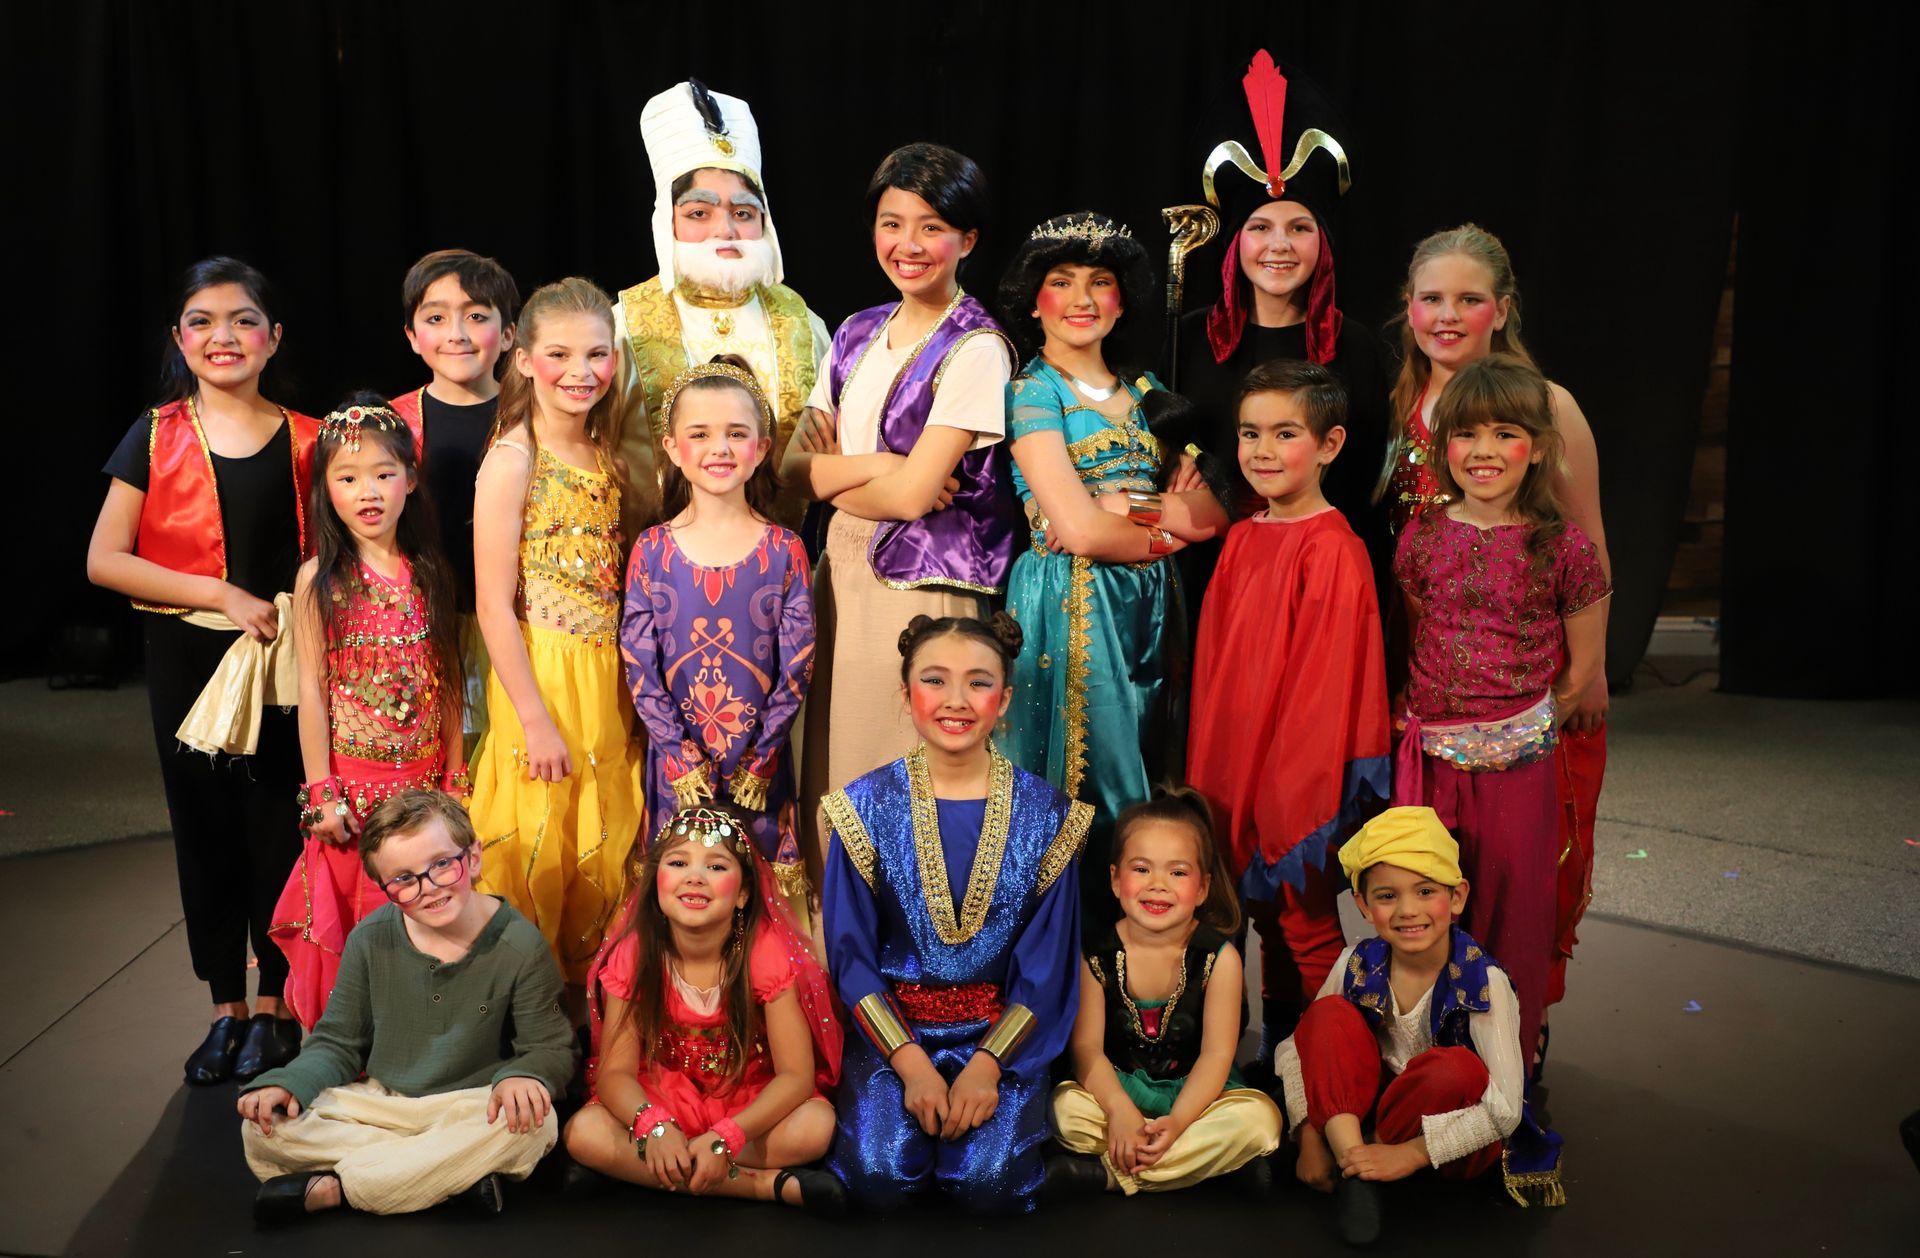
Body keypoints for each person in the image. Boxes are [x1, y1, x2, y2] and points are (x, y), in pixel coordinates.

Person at [1379, 223, 1613, 1052]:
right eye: (1432, 299)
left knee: (1528, 872)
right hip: (1439, 688)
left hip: (1528, 692)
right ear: (1409, 308)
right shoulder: (1411, 403)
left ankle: (1517, 1036)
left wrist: (1593, 674)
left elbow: (1584, 547)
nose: (1448, 316)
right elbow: (1414, 575)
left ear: (1501, 311)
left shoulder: (1543, 408)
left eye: (1468, 300)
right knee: (1432, 872)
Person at [87, 257, 317, 1084]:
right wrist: (217, 591)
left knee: (279, 829)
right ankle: (227, 1008)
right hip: (188, 653)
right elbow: (105, 560)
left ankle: (280, 1005)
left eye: (243, 320)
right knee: (205, 826)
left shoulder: (310, 437)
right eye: (203, 322)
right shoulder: (154, 434)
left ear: (273, 336)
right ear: (179, 340)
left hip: (283, 658)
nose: (224, 337)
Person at [783, 143, 1020, 876]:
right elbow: (787, 471)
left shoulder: (977, 347)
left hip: (923, 589)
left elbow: (918, 500)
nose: (908, 245)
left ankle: (902, 970)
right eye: (892, 224)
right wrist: (883, 468)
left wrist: (832, 474)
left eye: (930, 227)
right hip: (838, 573)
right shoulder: (854, 331)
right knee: (823, 775)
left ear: (968, 241)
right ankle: (831, 962)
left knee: (890, 781)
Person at [994, 212, 1229, 915]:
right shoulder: (1033, 392)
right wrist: (1160, 527)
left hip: (1154, 605)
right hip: (1073, 601)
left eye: (1100, 283)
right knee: (1091, 775)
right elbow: (1076, 531)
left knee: (1152, 765)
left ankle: (1144, 955)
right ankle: (1072, 953)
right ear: (1035, 301)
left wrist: (1135, 516)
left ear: (1123, 299)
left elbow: (1213, 510)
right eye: (1061, 283)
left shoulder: (1150, 388)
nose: (1082, 298)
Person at [821, 614, 1090, 1214]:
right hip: (895, 1035)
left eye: (978, 683)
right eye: (935, 680)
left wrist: (988, 1066)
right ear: (906, 692)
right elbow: (850, 957)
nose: (956, 701)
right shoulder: (862, 808)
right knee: (880, 1178)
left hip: (1001, 1039)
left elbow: (1045, 970)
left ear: (1006, 698)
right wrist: (911, 1064)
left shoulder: (1050, 817)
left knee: (984, 1186)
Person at [236, 790, 573, 1224]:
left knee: (535, 1126)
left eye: (441, 865)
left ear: (472, 859)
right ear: (384, 887)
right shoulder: (370, 938)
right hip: (381, 1105)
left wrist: (526, 1076)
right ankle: (443, 1178)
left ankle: (338, 1188)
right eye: (404, 879)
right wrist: (291, 1082)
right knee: (263, 1129)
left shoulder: (520, 945)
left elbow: (551, 1048)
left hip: (471, 1106)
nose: (428, 888)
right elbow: (338, 1042)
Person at [1186, 361, 1390, 1049]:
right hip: (1227, 759)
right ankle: (1270, 1063)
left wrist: (1290, 799)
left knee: (1298, 921)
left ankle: (1333, 1072)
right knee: (1235, 917)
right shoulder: (1244, 535)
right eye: (1249, 434)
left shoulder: (1332, 550)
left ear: (1330, 444)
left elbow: (1323, 692)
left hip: (1291, 772)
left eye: (1284, 434)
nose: (1263, 452)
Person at [467, 277, 646, 1010]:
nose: (581, 372)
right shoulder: (514, 458)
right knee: (537, 830)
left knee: (600, 838)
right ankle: (519, 1012)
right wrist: (534, 716)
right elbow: (490, 604)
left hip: (602, 674)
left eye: (597, 354)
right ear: (522, 358)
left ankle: (581, 1009)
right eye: (560, 354)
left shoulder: (607, 452)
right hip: (540, 671)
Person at [1274, 807, 1563, 1246]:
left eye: (1426, 891)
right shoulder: (1355, 962)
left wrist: (1410, 1154)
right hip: (1365, 1106)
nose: (1408, 910)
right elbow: (1296, 1049)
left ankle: (1355, 1157)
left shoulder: (1484, 982)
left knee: (1456, 1070)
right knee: (1327, 1016)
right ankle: (1357, 1169)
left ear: (1458, 896)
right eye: (1387, 896)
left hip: (1440, 1130)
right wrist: (1306, 1132)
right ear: (1363, 906)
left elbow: (1503, 1109)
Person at [270, 396, 468, 1029]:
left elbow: (450, 685)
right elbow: (313, 693)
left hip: (423, 790)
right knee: (361, 926)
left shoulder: (432, 571)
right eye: (347, 478)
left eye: (384, 473)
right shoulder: (318, 580)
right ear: (325, 491)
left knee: (427, 918)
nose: (368, 492)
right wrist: (322, 792)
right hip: (354, 796)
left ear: (410, 479)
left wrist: (456, 782)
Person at [1175, 50, 1390, 622]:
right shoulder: (1189, 338)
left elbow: (1369, 480)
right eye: (1260, 228)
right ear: (1235, 242)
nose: (1279, 245)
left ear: (1323, 242)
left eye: (1299, 228)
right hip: (1210, 575)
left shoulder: (1357, 348)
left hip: (1317, 582)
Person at [562, 803, 843, 1211]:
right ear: (655, 882)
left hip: (745, 1097)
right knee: (583, 1133)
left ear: (744, 892)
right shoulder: (634, 955)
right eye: (678, 862)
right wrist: (653, 1126)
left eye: (716, 867)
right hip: (663, 1093)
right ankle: (761, 1186)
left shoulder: (765, 956)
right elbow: (615, 1074)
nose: (695, 876)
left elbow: (796, 1077)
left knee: (815, 1128)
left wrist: (726, 1137)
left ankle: (649, 1169)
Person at [622, 358, 815, 925]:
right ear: (672, 447)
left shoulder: (785, 550)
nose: (720, 448)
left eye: (736, 433)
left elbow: (796, 666)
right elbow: (640, 664)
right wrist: (678, 757)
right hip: (676, 769)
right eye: (700, 434)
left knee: (757, 910)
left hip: (761, 768)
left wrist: (763, 756)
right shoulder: (652, 549)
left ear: (760, 447)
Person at [611, 80, 830, 534]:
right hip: (654, 565)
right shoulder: (623, 326)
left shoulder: (803, 323)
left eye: (744, 213)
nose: (725, 229)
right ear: (666, 221)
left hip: (788, 564)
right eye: (699, 213)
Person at [1049, 788, 1282, 1196]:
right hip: (1120, 1091)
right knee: (1063, 1110)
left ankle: (1109, 1173)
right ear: (1115, 879)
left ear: (1204, 887)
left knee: (1261, 1120)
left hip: (1197, 1097)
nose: (1158, 885)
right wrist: (1121, 1111)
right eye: (1141, 869)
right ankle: (1207, 1166)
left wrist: (1177, 1122)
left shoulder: (1218, 958)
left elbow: (1216, 1056)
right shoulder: (1095, 956)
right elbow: (1086, 1050)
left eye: (1177, 873)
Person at [389, 248, 523, 747]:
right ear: (412, 336)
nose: (457, 334)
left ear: (509, 334)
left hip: (517, 625)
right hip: (427, 626)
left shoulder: (535, 419)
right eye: (437, 318)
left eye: (476, 316)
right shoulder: (392, 425)